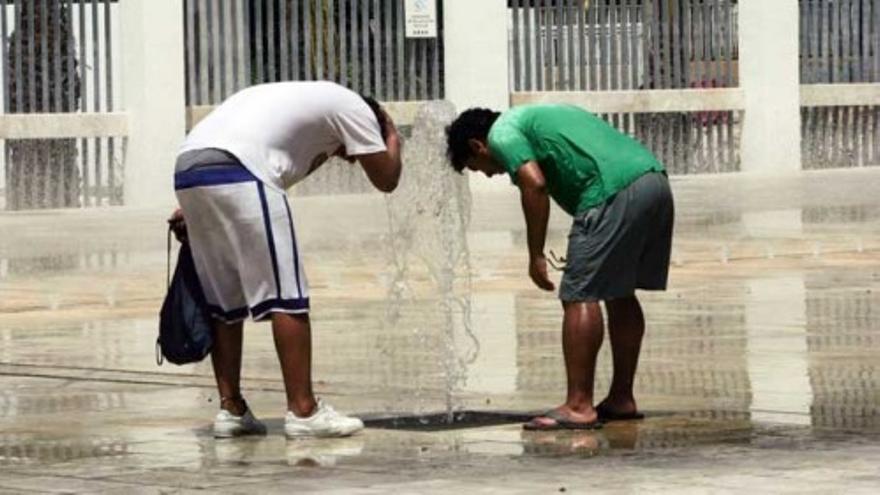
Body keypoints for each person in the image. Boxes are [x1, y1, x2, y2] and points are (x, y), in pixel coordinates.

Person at [169, 81, 401, 438]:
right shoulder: (357, 110)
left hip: (190, 169)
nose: (351, 159)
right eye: (352, 152)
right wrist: (391, 137)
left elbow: (273, 162)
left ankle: (231, 410)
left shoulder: (307, 103)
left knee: (224, 300)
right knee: (287, 296)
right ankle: (304, 411)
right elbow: (387, 178)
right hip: (241, 169)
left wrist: (198, 205)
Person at [445, 104, 673, 430]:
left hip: (611, 191)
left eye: (477, 167)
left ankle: (579, 406)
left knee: (579, 295)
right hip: (654, 181)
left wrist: (535, 254)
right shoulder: (536, 116)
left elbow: (534, 184)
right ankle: (621, 398)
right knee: (620, 293)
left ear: (477, 146)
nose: (490, 174)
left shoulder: (502, 134)